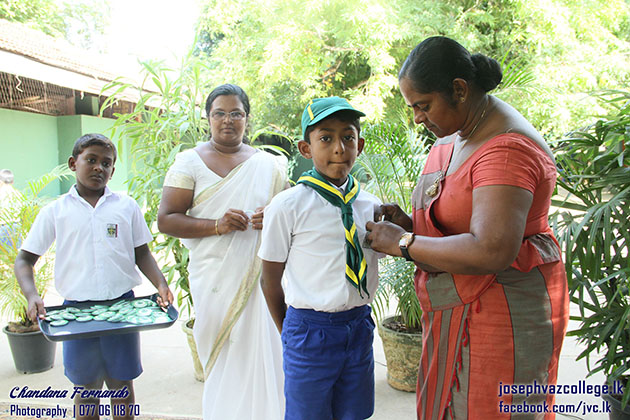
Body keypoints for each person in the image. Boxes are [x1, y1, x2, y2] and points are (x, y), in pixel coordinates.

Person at [365, 36, 570, 420]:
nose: (417, 119)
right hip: (458, 306)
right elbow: (458, 220)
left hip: (504, 310)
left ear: (459, 89)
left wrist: (405, 242)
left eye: (423, 106)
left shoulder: (507, 149)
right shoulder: (459, 131)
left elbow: (492, 249)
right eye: (412, 108)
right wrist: (410, 224)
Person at [14, 133, 174, 420]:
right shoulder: (55, 211)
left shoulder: (126, 207)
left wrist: (160, 284)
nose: (100, 167)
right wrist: (32, 295)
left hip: (123, 310)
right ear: (74, 163)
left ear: (113, 170)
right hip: (75, 313)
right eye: (92, 160)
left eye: (107, 163)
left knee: (122, 385)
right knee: (86, 389)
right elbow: (25, 260)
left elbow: (142, 254)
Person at [157, 84, 288, 420]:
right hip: (214, 277)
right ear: (208, 118)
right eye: (220, 113)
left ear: (247, 118)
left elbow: (290, 213)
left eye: (236, 113)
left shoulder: (268, 164)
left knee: (265, 354)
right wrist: (216, 225)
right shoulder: (189, 162)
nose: (228, 120)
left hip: (262, 279)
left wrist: (271, 215)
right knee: (224, 354)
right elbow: (167, 220)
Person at [259, 96, 383, 420]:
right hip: (309, 330)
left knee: (355, 414)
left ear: (361, 144)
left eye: (348, 137)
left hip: (358, 326)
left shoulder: (371, 206)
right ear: (305, 148)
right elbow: (269, 279)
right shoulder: (287, 206)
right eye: (325, 138)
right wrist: (289, 331)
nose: (339, 148)